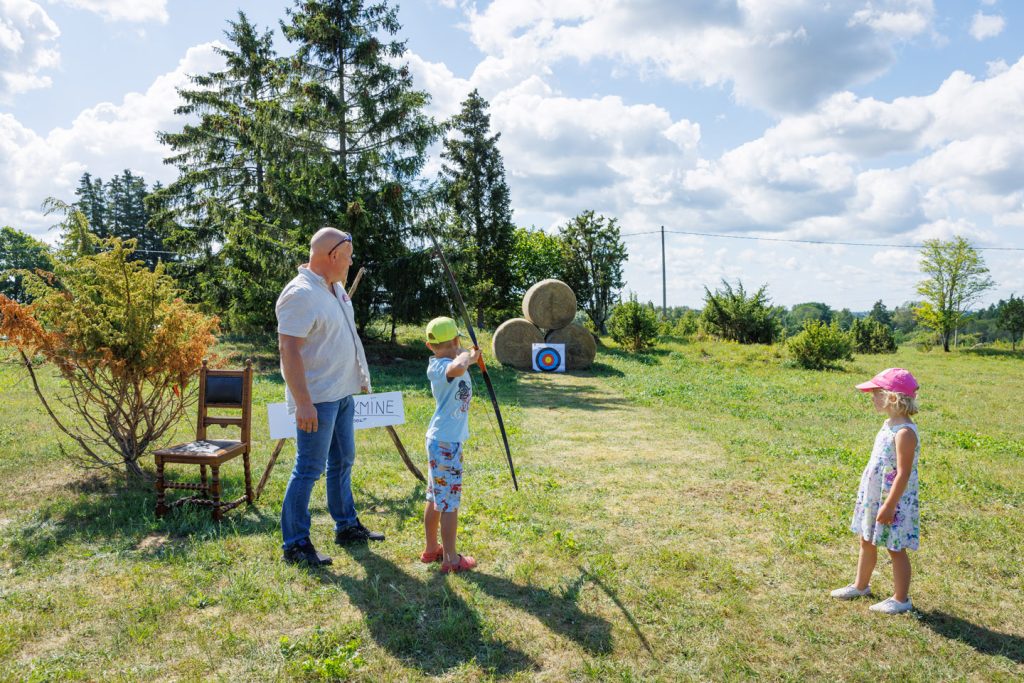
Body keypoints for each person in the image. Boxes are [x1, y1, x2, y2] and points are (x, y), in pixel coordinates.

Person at [276, 226, 384, 566]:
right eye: (348, 258)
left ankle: (346, 526)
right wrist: (303, 402)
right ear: (333, 256)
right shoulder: (300, 293)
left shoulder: (333, 288)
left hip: (341, 395)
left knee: (342, 462)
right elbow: (288, 350)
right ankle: (295, 543)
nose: (351, 264)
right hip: (317, 399)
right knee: (308, 469)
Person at [831, 367, 921, 614]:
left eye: (876, 392)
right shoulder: (889, 424)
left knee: (895, 547)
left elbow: (903, 473)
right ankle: (861, 585)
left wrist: (890, 504)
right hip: (875, 495)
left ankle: (901, 599)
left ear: (892, 397)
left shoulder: (905, 433)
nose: (872, 397)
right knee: (866, 538)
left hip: (894, 500)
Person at [420, 316, 479, 574]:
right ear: (456, 340)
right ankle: (451, 559)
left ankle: (432, 549)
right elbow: (455, 368)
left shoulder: (450, 360)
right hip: (445, 443)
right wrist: (469, 356)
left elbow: (458, 366)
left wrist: (468, 357)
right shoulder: (437, 366)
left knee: (436, 497)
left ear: (428, 344)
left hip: (444, 441)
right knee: (448, 503)